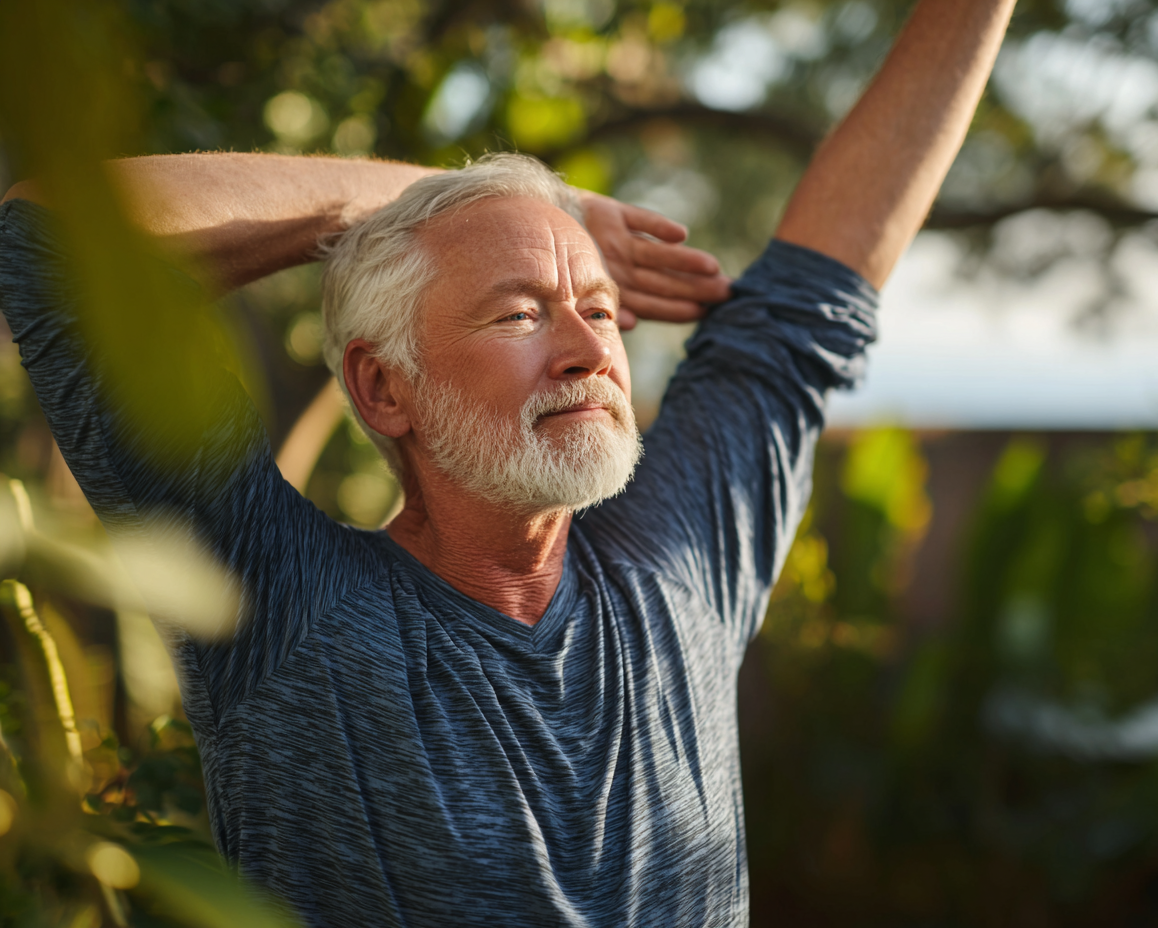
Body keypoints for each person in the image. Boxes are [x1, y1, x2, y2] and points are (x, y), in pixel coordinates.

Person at [0, 0, 1016, 924]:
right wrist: (413, 203)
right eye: (520, 312)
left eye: (602, 309)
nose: (586, 349)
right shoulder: (286, 612)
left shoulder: (676, 571)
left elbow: (813, 290)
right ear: (382, 389)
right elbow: (51, 238)